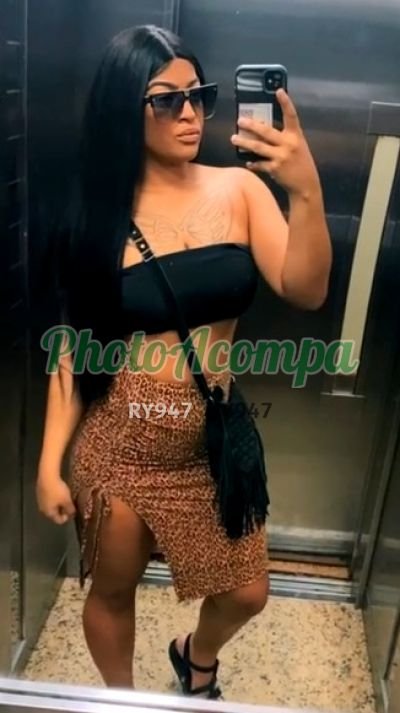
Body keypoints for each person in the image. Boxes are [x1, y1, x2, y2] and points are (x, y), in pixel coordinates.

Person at [36, 24, 332, 700]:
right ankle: (124, 699)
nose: (191, 113)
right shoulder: (95, 217)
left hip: (211, 440)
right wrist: (49, 464)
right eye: (167, 99)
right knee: (113, 590)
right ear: (124, 108)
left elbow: (306, 289)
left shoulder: (240, 191)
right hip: (122, 443)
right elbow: (72, 352)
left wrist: (306, 190)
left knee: (248, 592)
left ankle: (195, 655)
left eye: (198, 94)